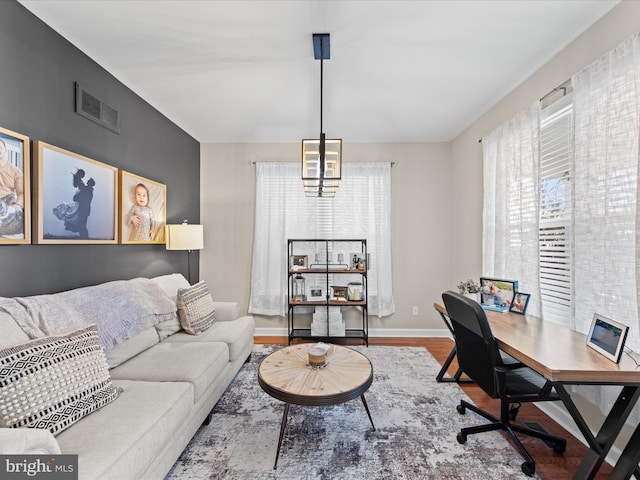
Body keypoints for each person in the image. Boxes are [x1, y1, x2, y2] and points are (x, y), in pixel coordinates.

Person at [53, 168, 95, 239]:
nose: (86, 181)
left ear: (90, 183)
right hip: (84, 209)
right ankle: (84, 239)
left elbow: (77, 198)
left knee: (82, 226)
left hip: (83, 209)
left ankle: (85, 239)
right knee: (82, 225)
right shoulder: (87, 189)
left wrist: (77, 196)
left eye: (88, 181)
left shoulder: (86, 190)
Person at [0, 138, 24, 237]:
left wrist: (18, 205)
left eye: (0, 148)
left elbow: (21, 193)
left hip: (7, 202)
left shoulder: (16, 171)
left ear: (6, 151)